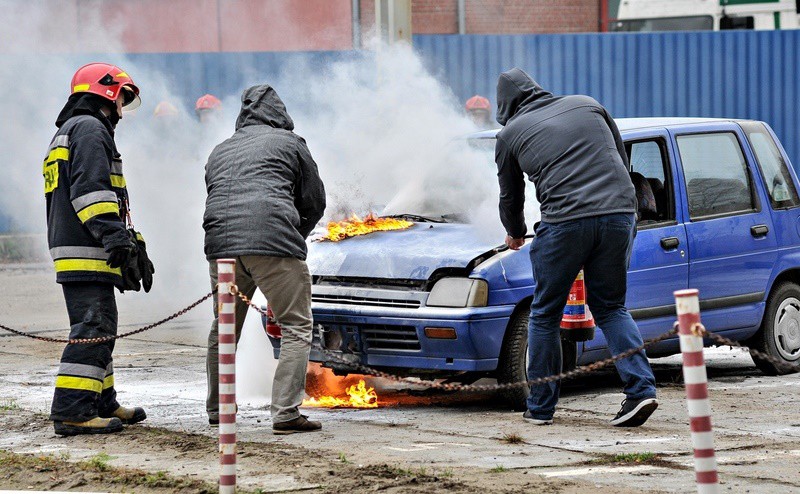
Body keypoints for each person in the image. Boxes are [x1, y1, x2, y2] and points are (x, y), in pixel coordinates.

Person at [494, 68, 658, 427]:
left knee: (545, 314)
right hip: (619, 213)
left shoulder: (509, 134)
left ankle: (540, 408)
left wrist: (516, 232)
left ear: (505, 105)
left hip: (566, 222)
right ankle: (641, 391)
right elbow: (621, 160)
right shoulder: (588, 104)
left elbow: (511, 196)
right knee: (611, 307)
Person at [203, 84, 326, 434]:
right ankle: (286, 413)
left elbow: (215, 195)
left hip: (221, 245)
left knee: (225, 327)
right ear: (280, 113)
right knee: (296, 326)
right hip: (273, 242)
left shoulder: (220, 150)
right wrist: (293, 235)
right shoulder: (291, 143)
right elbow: (314, 200)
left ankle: (218, 407)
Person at [45, 63, 154, 436]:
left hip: (77, 247)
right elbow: (90, 193)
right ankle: (73, 410)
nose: (124, 105)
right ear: (106, 92)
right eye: (123, 96)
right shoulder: (90, 129)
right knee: (94, 327)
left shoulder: (70, 130)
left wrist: (129, 239)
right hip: (85, 248)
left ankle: (102, 402)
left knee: (100, 325)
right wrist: (115, 238)